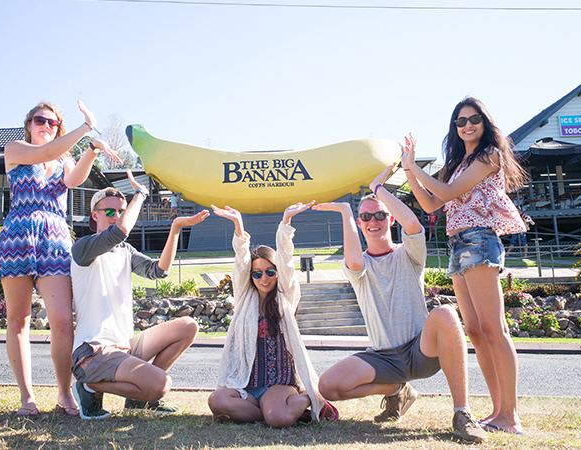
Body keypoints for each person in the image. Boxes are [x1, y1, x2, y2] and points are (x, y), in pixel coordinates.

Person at [313, 166, 487, 444]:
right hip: (383, 358)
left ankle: (462, 413)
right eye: (365, 217)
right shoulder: (360, 266)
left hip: (421, 351)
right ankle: (396, 390)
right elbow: (355, 262)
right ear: (359, 223)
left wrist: (378, 188)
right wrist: (346, 212)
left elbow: (413, 225)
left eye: (380, 215)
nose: (373, 221)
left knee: (445, 312)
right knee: (327, 386)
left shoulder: (409, 254)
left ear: (390, 218)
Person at [401, 97, 528, 435]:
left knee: (493, 330)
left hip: (479, 240)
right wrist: (408, 170)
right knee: (474, 331)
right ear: (455, 128)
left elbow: (449, 190)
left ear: (485, 122)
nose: (467, 125)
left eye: (473, 119)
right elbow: (430, 202)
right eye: (460, 121)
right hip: (457, 246)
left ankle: (510, 416)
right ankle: (497, 410)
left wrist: (415, 168)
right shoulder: (459, 162)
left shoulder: (488, 156)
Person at [0, 100, 122, 417]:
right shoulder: (16, 149)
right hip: (18, 238)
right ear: (28, 124)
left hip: (54, 241)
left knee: (63, 322)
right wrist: (86, 127)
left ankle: (65, 394)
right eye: (40, 120)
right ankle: (27, 398)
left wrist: (92, 149)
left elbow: (75, 179)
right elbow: (44, 154)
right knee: (18, 320)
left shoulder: (63, 157)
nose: (46, 126)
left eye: (52, 123)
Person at [70, 172, 209, 419]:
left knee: (188, 326)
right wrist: (141, 194)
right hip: (93, 352)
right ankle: (88, 386)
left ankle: (137, 399)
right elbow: (120, 231)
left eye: (121, 211)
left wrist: (175, 228)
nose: (117, 216)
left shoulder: (125, 251)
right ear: (94, 215)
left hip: (125, 346)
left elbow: (160, 271)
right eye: (109, 212)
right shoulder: (83, 248)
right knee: (160, 385)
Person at [207, 202, 339, 427]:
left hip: (279, 384)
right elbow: (241, 262)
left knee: (278, 419)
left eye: (270, 272)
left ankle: (310, 399)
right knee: (217, 401)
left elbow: (286, 262)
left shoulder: (285, 297)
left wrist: (286, 223)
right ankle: (268, 411)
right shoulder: (244, 299)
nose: (263, 278)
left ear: (277, 274)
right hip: (247, 386)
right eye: (257, 274)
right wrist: (238, 224)